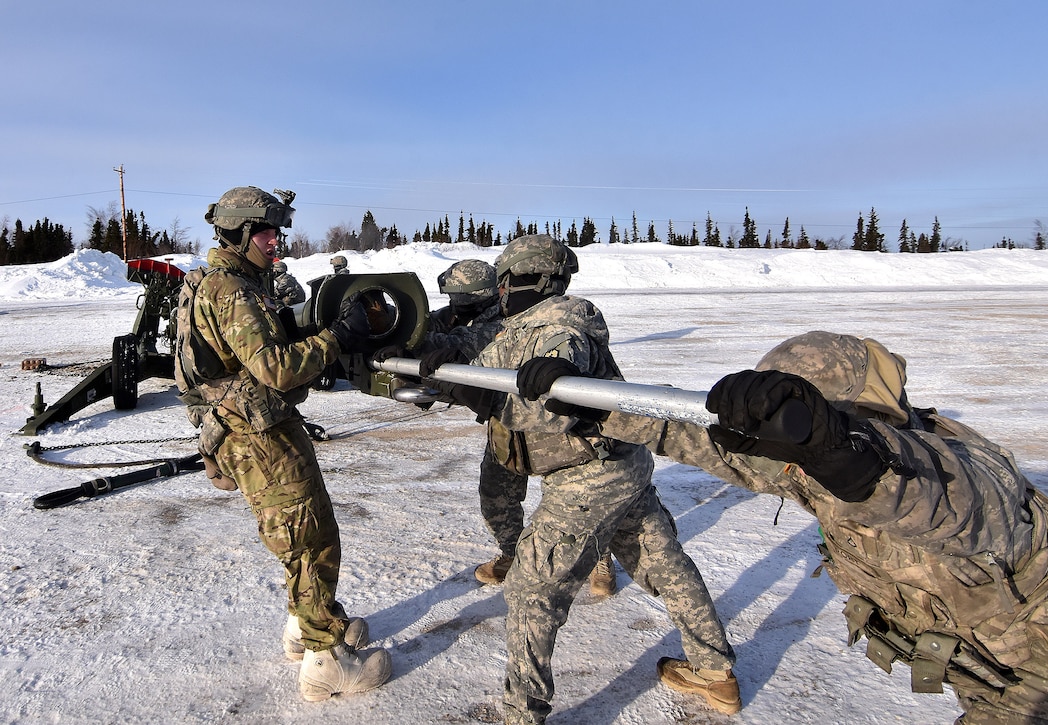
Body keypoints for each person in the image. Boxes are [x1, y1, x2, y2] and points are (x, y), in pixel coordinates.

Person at [598, 330, 1048, 724]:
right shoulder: (814, 469)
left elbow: (934, 497)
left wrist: (843, 450)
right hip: (983, 669)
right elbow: (687, 435)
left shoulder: (962, 469)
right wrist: (590, 399)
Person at [436, 235, 740, 723]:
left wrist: (529, 384)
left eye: (508, 281)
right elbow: (486, 364)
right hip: (622, 465)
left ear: (529, 280)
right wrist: (443, 368)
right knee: (664, 566)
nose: (502, 291)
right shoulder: (520, 325)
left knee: (532, 590)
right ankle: (714, 670)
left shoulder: (561, 322)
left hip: (587, 476)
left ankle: (522, 712)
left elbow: (560, 383)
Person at [173, 186, 391, 702]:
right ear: (244, 232)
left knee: (297, 534)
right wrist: (338, 335)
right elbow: (274, 369)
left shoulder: (227, 280)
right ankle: (326, 663)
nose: (278, 241)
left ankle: (304, 627)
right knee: (311, 538)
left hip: (247, 429)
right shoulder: (232, 290)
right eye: (269, 232)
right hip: (260, 436)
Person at [405, 259, 617, 596]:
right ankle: (512, 553)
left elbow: (468, 341)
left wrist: (432, 342)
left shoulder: (508, 319)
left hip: (549, 425)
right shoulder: (471, 314)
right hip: (507, 425)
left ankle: (599, 557)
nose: (455, 304)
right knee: (495, 495)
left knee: (581, 505)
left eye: (461, 297)